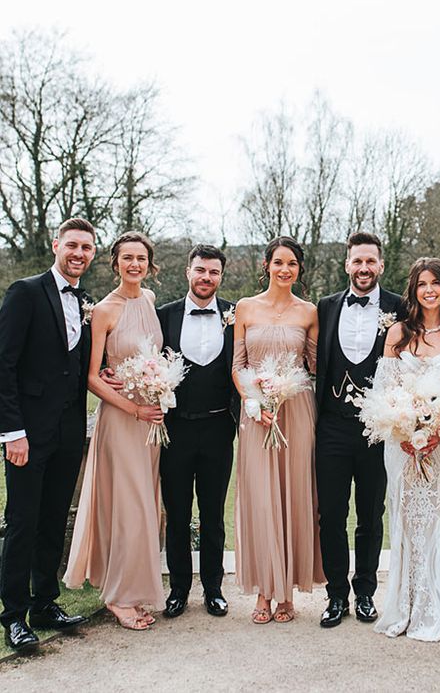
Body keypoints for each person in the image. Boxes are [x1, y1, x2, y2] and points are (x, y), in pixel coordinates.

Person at [0, 219, 95, 650]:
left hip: (68, 433)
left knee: (53, 520)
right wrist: (12, 433)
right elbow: (4, 365)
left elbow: (77, 367)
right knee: (22, 522)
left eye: (87, 248)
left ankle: (44, 603)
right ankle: (14, 616)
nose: (79, 253)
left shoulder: (87, 302)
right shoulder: (25, 292)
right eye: (72, 245)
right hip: (27, 435)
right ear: (56, 245)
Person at [63, 231, 166, 630]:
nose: (134, 265)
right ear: (115, 262)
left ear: (149, 263)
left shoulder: (151, 300)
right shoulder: (104, 310)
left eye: (141, 258)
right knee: (127, 506)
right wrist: (134, 409)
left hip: (152, 421)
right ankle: (119, 597)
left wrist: (158, 393)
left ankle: (135, 589)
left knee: (145, 507)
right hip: (123, 420)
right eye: (127, 258)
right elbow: (92, 377)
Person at [373, 257, 440, 642]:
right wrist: (405, 432)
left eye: (435, 283)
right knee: (407, 520)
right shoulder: (398, 334)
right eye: (421, 284)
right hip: (402, 444)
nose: (429, 290)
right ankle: (406, 605)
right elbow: (385, 393)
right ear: (412, 290)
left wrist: (436, 431)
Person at [315, 232, 405, 628]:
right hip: (332, 426)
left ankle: (365, 592)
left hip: (377, 429)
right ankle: (336, 596)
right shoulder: (326, 306)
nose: (364, 268)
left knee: (371, 513)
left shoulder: (399, 308)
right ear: (346, 264)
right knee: (331, 514)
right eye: (357, 261)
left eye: (371, 261)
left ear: (380, 265)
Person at [232, 236, 323, 624]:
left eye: (292, 264)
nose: (285, 270)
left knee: (293, 493)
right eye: (278, 262)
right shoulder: (245, 308)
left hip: (297, 410)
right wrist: (254, 400)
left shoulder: (309, 312)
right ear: (266, 265)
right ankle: (264, 592)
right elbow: (238, 365)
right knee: (261, 497)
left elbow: (316, 366)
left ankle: (287, 593)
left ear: (299, 270)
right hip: (256, 413)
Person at [156, 245, 239, 619]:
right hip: (175, 430)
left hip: (220, 427)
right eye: (201, 270)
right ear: (188, 272)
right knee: (176, 512)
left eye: (214, 272)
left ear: (221, 277)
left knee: (212, 513)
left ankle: (214, 589)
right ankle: (178, 589)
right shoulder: (164, 316)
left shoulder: (235, 316)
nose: (207, 278)